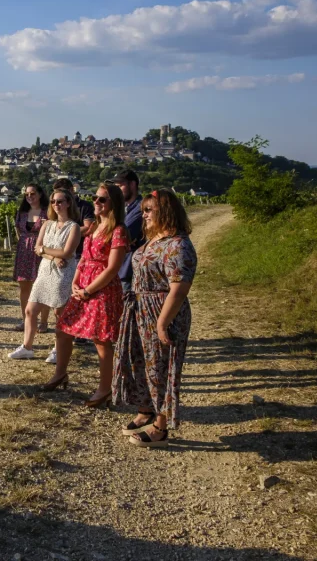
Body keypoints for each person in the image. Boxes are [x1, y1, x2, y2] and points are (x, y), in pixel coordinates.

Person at [114, 189, 197, 448]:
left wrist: (162, 322)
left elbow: (179, 288)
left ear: (167, 212)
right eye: (144, 209)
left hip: (162, 311)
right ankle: (145, 409)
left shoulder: (178, 244)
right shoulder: (154, 239)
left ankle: (161, 428)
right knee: (140, 363)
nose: (143, 214)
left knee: (160, 368)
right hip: (140, 308)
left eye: (150, 210)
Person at [42, 182, 128, 407]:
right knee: (63, 328)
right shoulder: (93, 228)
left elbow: (112, 268)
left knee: (102, 341)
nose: (96, 202)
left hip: (102, 289)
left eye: (102, 199)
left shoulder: (118, 231)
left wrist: (89, 290)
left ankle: (104, 389)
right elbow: (83, 259)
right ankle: (60, 373)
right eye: (95, 198)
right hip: (82, 287)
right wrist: (75, 283)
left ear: (113, 204)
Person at [8, 189, 80, 359]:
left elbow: (67, 252)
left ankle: (58, 349)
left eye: (60, 201)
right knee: (30, 310)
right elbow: (37, 249)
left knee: (59, 314)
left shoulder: (74, 227)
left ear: (68, 203)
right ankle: (27, 347)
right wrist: (53, 257)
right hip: (45, 272)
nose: (56, 204)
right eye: (53, 201)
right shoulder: (47, 224)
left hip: (63, 274)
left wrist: (46, 251)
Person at [44, 178, 95, 363]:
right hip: (61, 256)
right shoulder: (56, 214)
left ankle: (80, 332)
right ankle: (71, 332)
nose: (58, 200)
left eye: (63, 193)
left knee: (81, 295)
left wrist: (69, 234)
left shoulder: (85, 206)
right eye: (56, 195)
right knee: (66, 298)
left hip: (81, 252)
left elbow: (88, 228)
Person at [12, 184, 46, 330]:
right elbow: (18, 231)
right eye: (27, 194)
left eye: (32, 193)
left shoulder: (47, 212)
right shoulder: (22, 212)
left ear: (40, 195)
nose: (29, 196)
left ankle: (43, 322)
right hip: (24, 252)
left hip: (42, 252)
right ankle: (26, 320)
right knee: (24, 287)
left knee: (43, 287)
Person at [112, 170, 144, 291]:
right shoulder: (122, 209)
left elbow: (121, 234)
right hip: (119, 270)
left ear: (132, 185)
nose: (117, 190)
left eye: (120, 186)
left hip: (129, 271)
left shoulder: (141, 208)